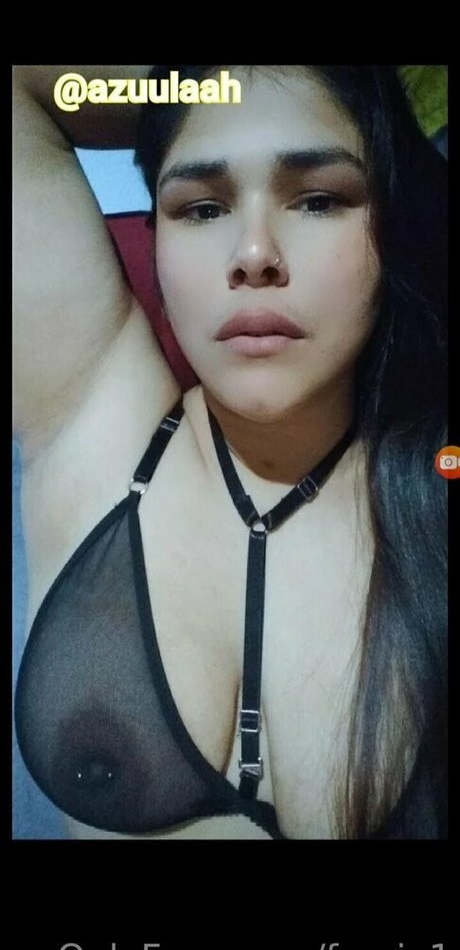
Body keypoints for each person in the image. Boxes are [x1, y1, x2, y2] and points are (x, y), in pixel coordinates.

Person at [13, 65, 447, 840]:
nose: (253, 252)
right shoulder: (93, 420)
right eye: (202, 207)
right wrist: (194, 84)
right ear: (157, 237)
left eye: (319, 199)